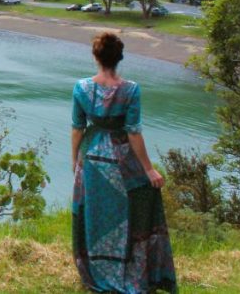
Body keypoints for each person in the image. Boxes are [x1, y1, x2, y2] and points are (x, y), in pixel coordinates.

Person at [71, 31, 177, 293]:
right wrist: (149, 170)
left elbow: (77, 128)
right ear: (119, 58)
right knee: (132, 210)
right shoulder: (131, 90)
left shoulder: (81, 87)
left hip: (91, 159)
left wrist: (75, 161)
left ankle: (96, 271)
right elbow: (133, 132)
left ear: (95, 56)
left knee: (94, 215)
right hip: (122, 162)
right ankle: (133, 270)